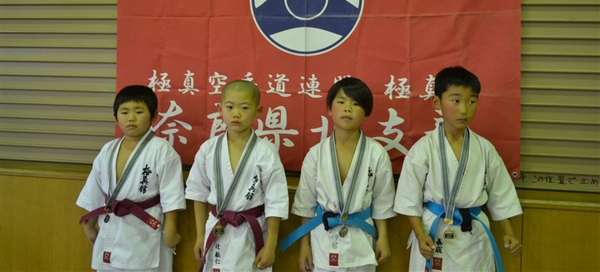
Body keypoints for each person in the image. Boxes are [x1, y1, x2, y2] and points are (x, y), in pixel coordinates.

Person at [394, 66, 522, 272]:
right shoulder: (424, 148)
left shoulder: (484, 148)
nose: (464, 109)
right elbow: (409, 199)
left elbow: (501, 194)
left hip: (473, 234)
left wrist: (509, 232)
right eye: (456, 101)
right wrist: (419, 234)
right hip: (433, 231)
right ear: (437, 102)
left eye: (471, 101)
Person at [283, 77, 396, 272]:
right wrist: (304, 245)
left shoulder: (377, 154)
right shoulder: (316, 154)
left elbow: (382, 202)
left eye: (356, 103)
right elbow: (306, 205)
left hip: (361, 239)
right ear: (329, 109)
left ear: (367, 113)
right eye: (341, 102)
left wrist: (383, 238)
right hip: (323, 240)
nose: (347, 109)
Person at [77, 85, 186, 271]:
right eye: (125, 112)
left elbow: (172, 193)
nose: (131, 118)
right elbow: (95, 189)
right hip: (112, 224)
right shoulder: (108, 149)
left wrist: (171, 228)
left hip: (144, 227)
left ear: (154, 116)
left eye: (139, 111)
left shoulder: (162, 150)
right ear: (115, 117)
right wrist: (90, 224)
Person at [185, 80, 289, 272]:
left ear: (258, 111)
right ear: (220, 109)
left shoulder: (266, 152)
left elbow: (276, 202)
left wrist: (271, 246)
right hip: (216, 226)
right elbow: (198, 193)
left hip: (249, 232)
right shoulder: (208, 149)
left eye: (244, 107)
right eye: (230, 107)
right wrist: (200, 235)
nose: (236, 114)